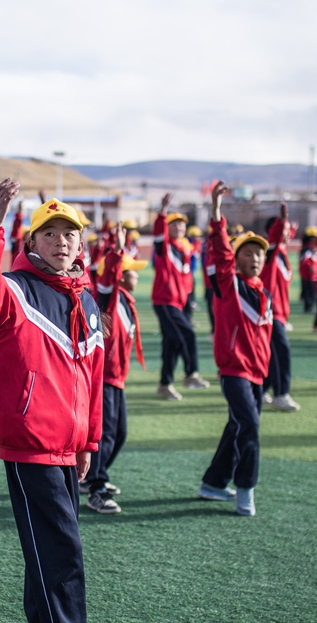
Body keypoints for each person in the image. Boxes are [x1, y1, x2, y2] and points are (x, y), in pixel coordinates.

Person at [0, 179, 122, 623]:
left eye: (69, 234)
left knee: (47, 549)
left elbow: (92, 379)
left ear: (81, 245)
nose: (61, 242)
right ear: (31, 243)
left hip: (68, 446)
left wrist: (89, 442)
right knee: (61, 548)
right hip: (30, 440)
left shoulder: (87, 301)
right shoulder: (16, 289)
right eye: (49, 233)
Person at [199, 182, 271, 516]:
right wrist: (216, 213)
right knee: (250, 428)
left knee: (237, 426)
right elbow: (220, 252)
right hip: (234, 371)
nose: (254, 258)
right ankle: (245, 488)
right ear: (237, 257)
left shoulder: (263, 292)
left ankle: (213, 483)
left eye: (259, 253)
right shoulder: (230, 285)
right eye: (248, 252)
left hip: (257, 373)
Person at [83, 234, 147, 514]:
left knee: (119, 434)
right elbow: (106, 278)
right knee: (105, 434)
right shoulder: (107, 300)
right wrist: (117, 251)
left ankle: (90, 477)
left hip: (117, 378)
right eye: (131, 271)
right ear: (121, 275)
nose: (136, 275)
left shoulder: (128, 303)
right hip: (105, 377)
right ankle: (96, 488)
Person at [151, 193, 208, 400]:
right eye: (174, 225)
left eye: (182, 225)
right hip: (165, 301)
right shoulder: (165, 247)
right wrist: (162, 211)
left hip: (179, 302)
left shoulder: (184, 249)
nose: (179, 228)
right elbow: (158, 234)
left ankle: (165, 384)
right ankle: (191, 374)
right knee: (188, 335)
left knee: (171, 344)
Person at [260, 202, 300, 412]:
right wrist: (282, 219)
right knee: (281, 352)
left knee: (272, 353)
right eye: (283, 230)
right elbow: (276, 236)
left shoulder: (281, 251)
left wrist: (290, 226)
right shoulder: (270, 250)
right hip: (271, 311)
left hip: (280, 313)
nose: (287, 233)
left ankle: (262, 390)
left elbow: (285, 235)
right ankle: (281, 393)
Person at [298, 227, 317, 313]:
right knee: (309, 292)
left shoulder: (313, 248)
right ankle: (308, 307)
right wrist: (310, 268)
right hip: (309, 275)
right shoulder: (308, 248)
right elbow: (306, 260)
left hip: (312, 275)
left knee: (310, 291)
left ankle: (309, 305)